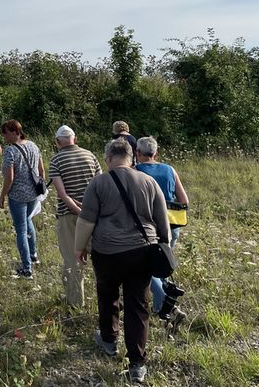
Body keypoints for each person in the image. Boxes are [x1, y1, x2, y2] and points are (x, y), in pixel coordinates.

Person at [74, 138, 170, 384]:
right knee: (138, 305)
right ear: (133, 157)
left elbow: (86, 221)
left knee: (107, 294)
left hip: (107, 252)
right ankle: (137, 364)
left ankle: (108, 340)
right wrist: (165, 246)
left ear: (108, 158)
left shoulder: (99, 182)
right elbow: (163, 220)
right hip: (142, 251)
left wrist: (80, 248)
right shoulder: (148, 182)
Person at [135, 136, 189, 328]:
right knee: (161, 264)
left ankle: (166, 306)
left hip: (149, 227)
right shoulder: (169, 169)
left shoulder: (136, 171)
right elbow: (184, 200)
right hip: (171, 226)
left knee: (147, 268)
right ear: (156, 153)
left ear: (137, 153)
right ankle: (164, 306)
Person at [48, 124, 102, 307]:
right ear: (75, 139)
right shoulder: (91, 156)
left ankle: (76, 303)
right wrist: (89, 211)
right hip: (94, 215)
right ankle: (110, 298)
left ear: (57, 142)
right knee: (102, 257)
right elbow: (99, 187)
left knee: (72, 260)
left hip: (68, 215)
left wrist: (78, 210)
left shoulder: (56, 160)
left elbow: (62, 194)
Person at [0, 119, 45, 279]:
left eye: (5, 133)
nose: (3, 136)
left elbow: (9, 177)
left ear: (14, 132)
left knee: (21, 230)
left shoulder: (10, 151)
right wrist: (40, 189)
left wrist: (2, 196)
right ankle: (33, 255)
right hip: (33, 193)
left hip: (17, 195)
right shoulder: (33, 145)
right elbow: (41, 170)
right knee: (28, 220)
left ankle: (27, 268)